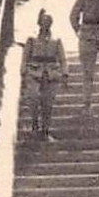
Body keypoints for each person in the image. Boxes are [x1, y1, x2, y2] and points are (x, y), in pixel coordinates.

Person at [21, 10, 68, 141]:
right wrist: (23, 73)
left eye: (48, 23)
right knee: (34, 98)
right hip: (34, 72)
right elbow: (25, 57)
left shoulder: (56, 40)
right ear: (39, 24)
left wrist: (65, 74)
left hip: (51, 74)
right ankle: (34, 125)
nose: (45, 25)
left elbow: (62, 59)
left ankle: (45, 130)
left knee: (48, 103)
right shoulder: (31, 39)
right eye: (43, 22)